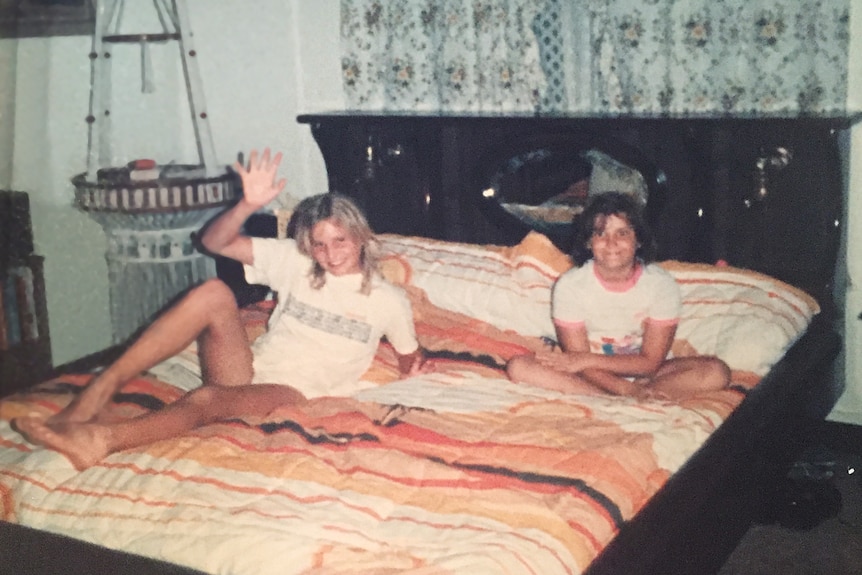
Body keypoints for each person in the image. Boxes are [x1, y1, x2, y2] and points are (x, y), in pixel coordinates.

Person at [13, 148, 426, 470]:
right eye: (320, 243)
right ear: (307, 243)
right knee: (213, 292)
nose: (330, 254)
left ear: (360, 237)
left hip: (297, 391)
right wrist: (247, 204)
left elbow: (411, 358)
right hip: (248, 371)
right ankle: (92, 396)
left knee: (208, 399)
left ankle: (100, 440)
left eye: (341, 241)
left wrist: (417, 371)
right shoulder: (296, 260)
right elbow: (214, 242)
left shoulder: (388, 301)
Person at [507, 191, 729, 400]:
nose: (611, 243)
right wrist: (623, 389)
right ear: (588, 242)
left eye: (622, 233)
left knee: (717, 372)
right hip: (588, 375)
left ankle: (634, 396)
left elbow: (651, 362)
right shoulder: (571, 285)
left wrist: (596, 365)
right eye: (600, 233)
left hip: (646, 374)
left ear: (638, 240)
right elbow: (576, 362)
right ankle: (614, 400)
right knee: (519, 367)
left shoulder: (660, 284)